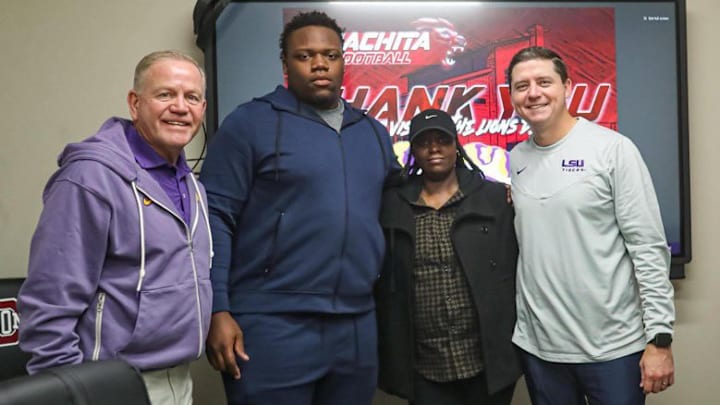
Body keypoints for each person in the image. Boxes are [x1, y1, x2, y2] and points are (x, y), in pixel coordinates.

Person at [199, 11, 399, 405]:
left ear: (343, 61)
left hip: (356, 323)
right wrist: (217, 309)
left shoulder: (373, 132)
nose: (319, 64)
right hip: (271, 322)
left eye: (330, 55)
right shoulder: (250, 123)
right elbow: (213, 219)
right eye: (305, 56)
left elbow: (401, 205)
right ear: (286, 64)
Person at [18, 50, 212, 405]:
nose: (180, 107)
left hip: (178, 380)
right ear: (135, 104)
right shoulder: (89, 179)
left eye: (192, 97)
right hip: (108, 385)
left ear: (203, 109)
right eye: (165, 94)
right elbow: (50, 300)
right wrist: (69, 389)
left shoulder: (192, 187)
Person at [506, 46, 675, 404]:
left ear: (567, 86)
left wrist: (660, 338)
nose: (533, 93)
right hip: (540, 350)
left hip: (613, 350)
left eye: (544, 82)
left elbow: (648, 247)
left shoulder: (612, 150)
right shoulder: (516, 158)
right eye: (521, 86)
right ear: (512, 96)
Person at [375, 108, 521, 405]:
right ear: (413, 151)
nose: (434, 149)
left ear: (456, 145)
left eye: (442, 140)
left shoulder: (495, 199)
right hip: (424, 366)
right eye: (423, 142)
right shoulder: (391, 205)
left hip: (487, 362)